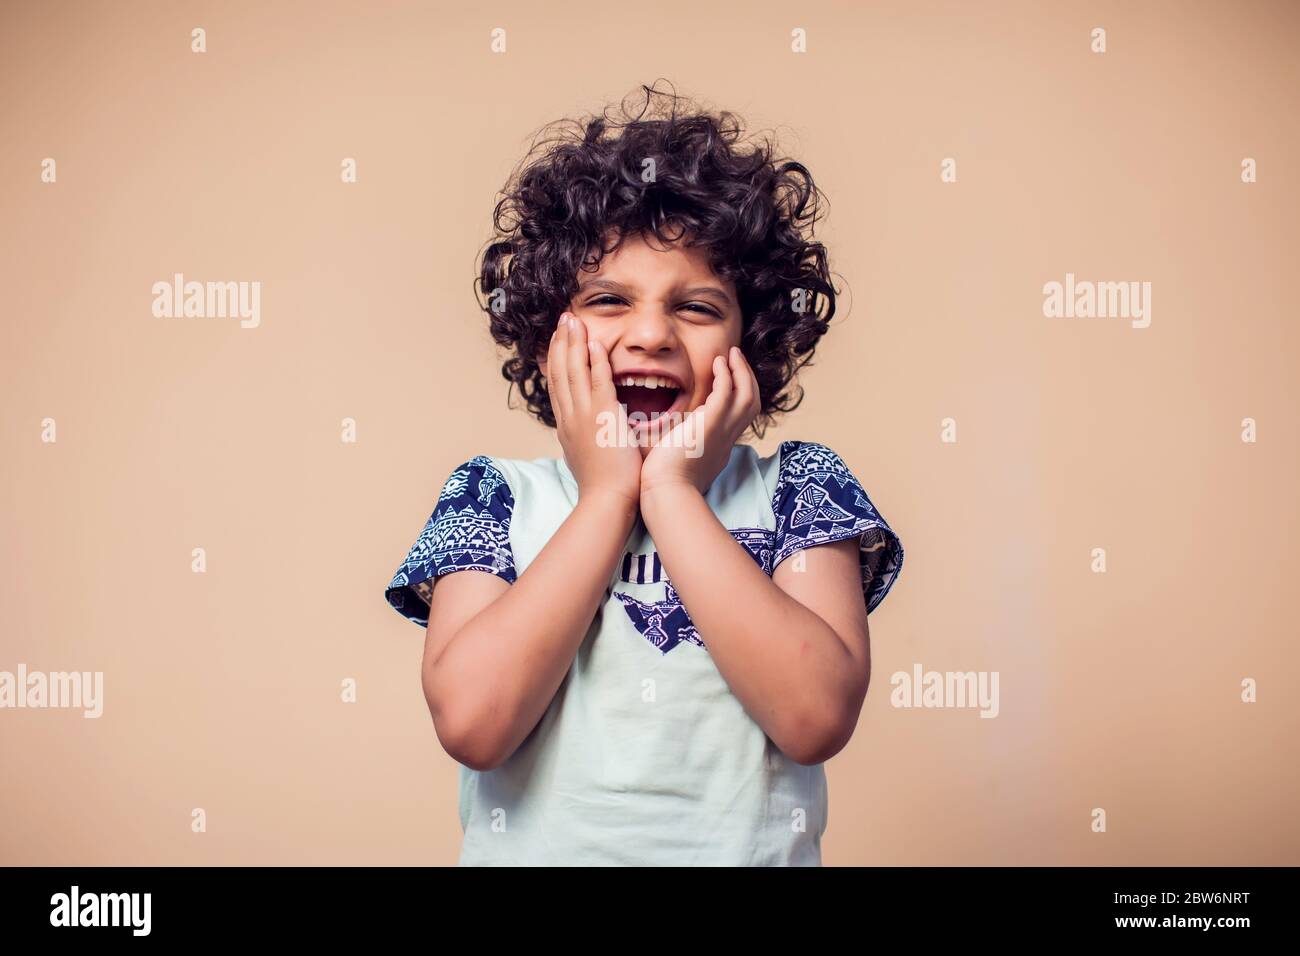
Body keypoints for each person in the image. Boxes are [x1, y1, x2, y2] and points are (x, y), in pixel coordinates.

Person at [384, 82, 903, 865]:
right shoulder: (492, 495)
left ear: (752, 340)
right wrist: (606, 496)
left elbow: (815, 717)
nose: (652, 333)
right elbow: (474, 726)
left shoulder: (800, 489)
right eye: (607, 300)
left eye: (696, 308)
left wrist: (669, 493)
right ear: (546, 335)